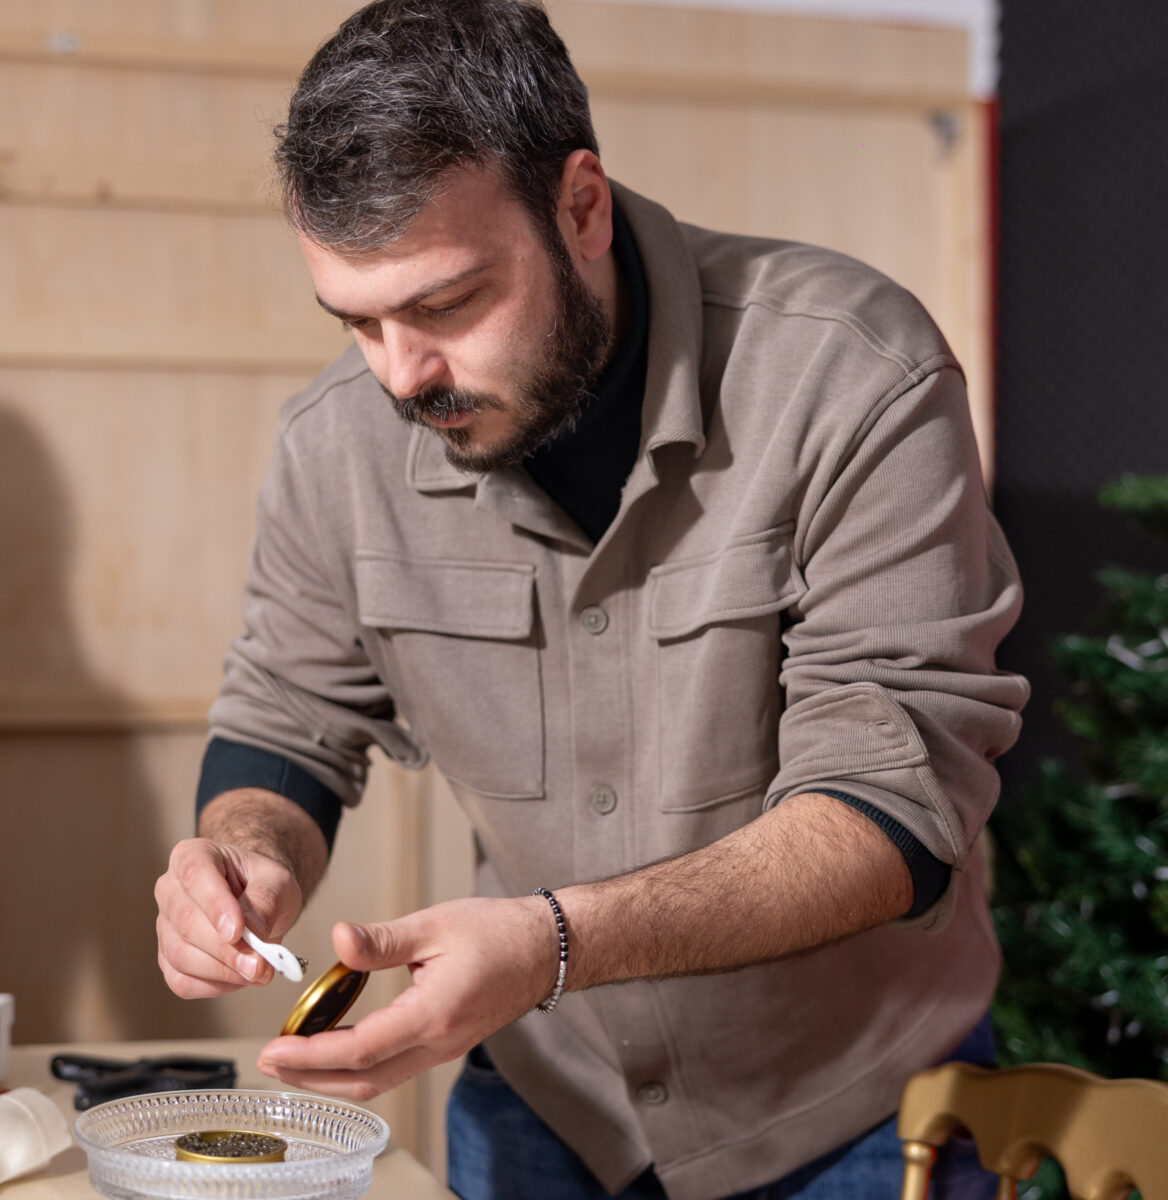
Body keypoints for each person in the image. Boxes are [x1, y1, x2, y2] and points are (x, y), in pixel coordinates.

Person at [153, 2, 1029, 1197]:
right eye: (357, 320)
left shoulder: (852, 373)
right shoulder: (333, 446)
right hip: (542, 1109)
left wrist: (550, 944)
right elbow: (286, 718)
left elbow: (892, 806)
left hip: (851, 1119)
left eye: (449, 303)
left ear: (580, 205)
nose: (403, 376)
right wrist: (238, 852)